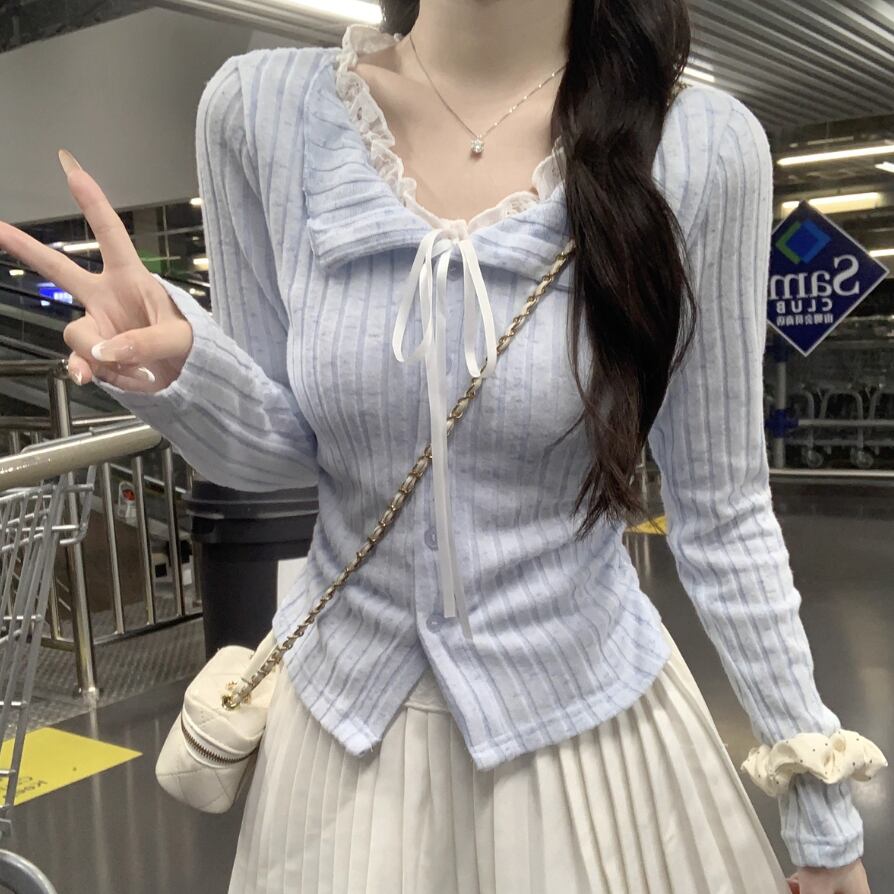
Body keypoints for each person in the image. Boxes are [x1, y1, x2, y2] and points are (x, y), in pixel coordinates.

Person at [0, 1, 887, 892]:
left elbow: (723, 510)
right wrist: (182, 373)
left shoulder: (699, 147)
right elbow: (279, 453)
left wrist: (819, 805)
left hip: (587, 742)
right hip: (342, 741)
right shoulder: (259, 114)